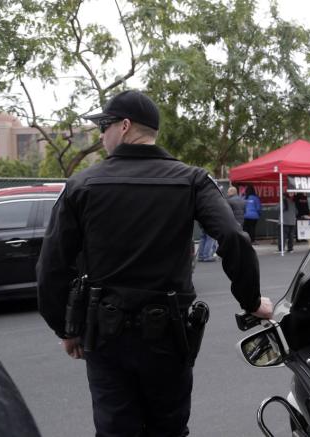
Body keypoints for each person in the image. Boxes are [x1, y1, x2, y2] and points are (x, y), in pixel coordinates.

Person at [36, 90, 273, 437]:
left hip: (104, 337)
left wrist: (67, 329)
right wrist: (251, 302)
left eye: (105, 125)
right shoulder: (192, 180)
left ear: (126, 126)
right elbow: (234, 239)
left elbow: (51, 267)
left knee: (115, 430)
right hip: (168, 337)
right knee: (169, 429)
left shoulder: (82, 184)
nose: (102, 135)